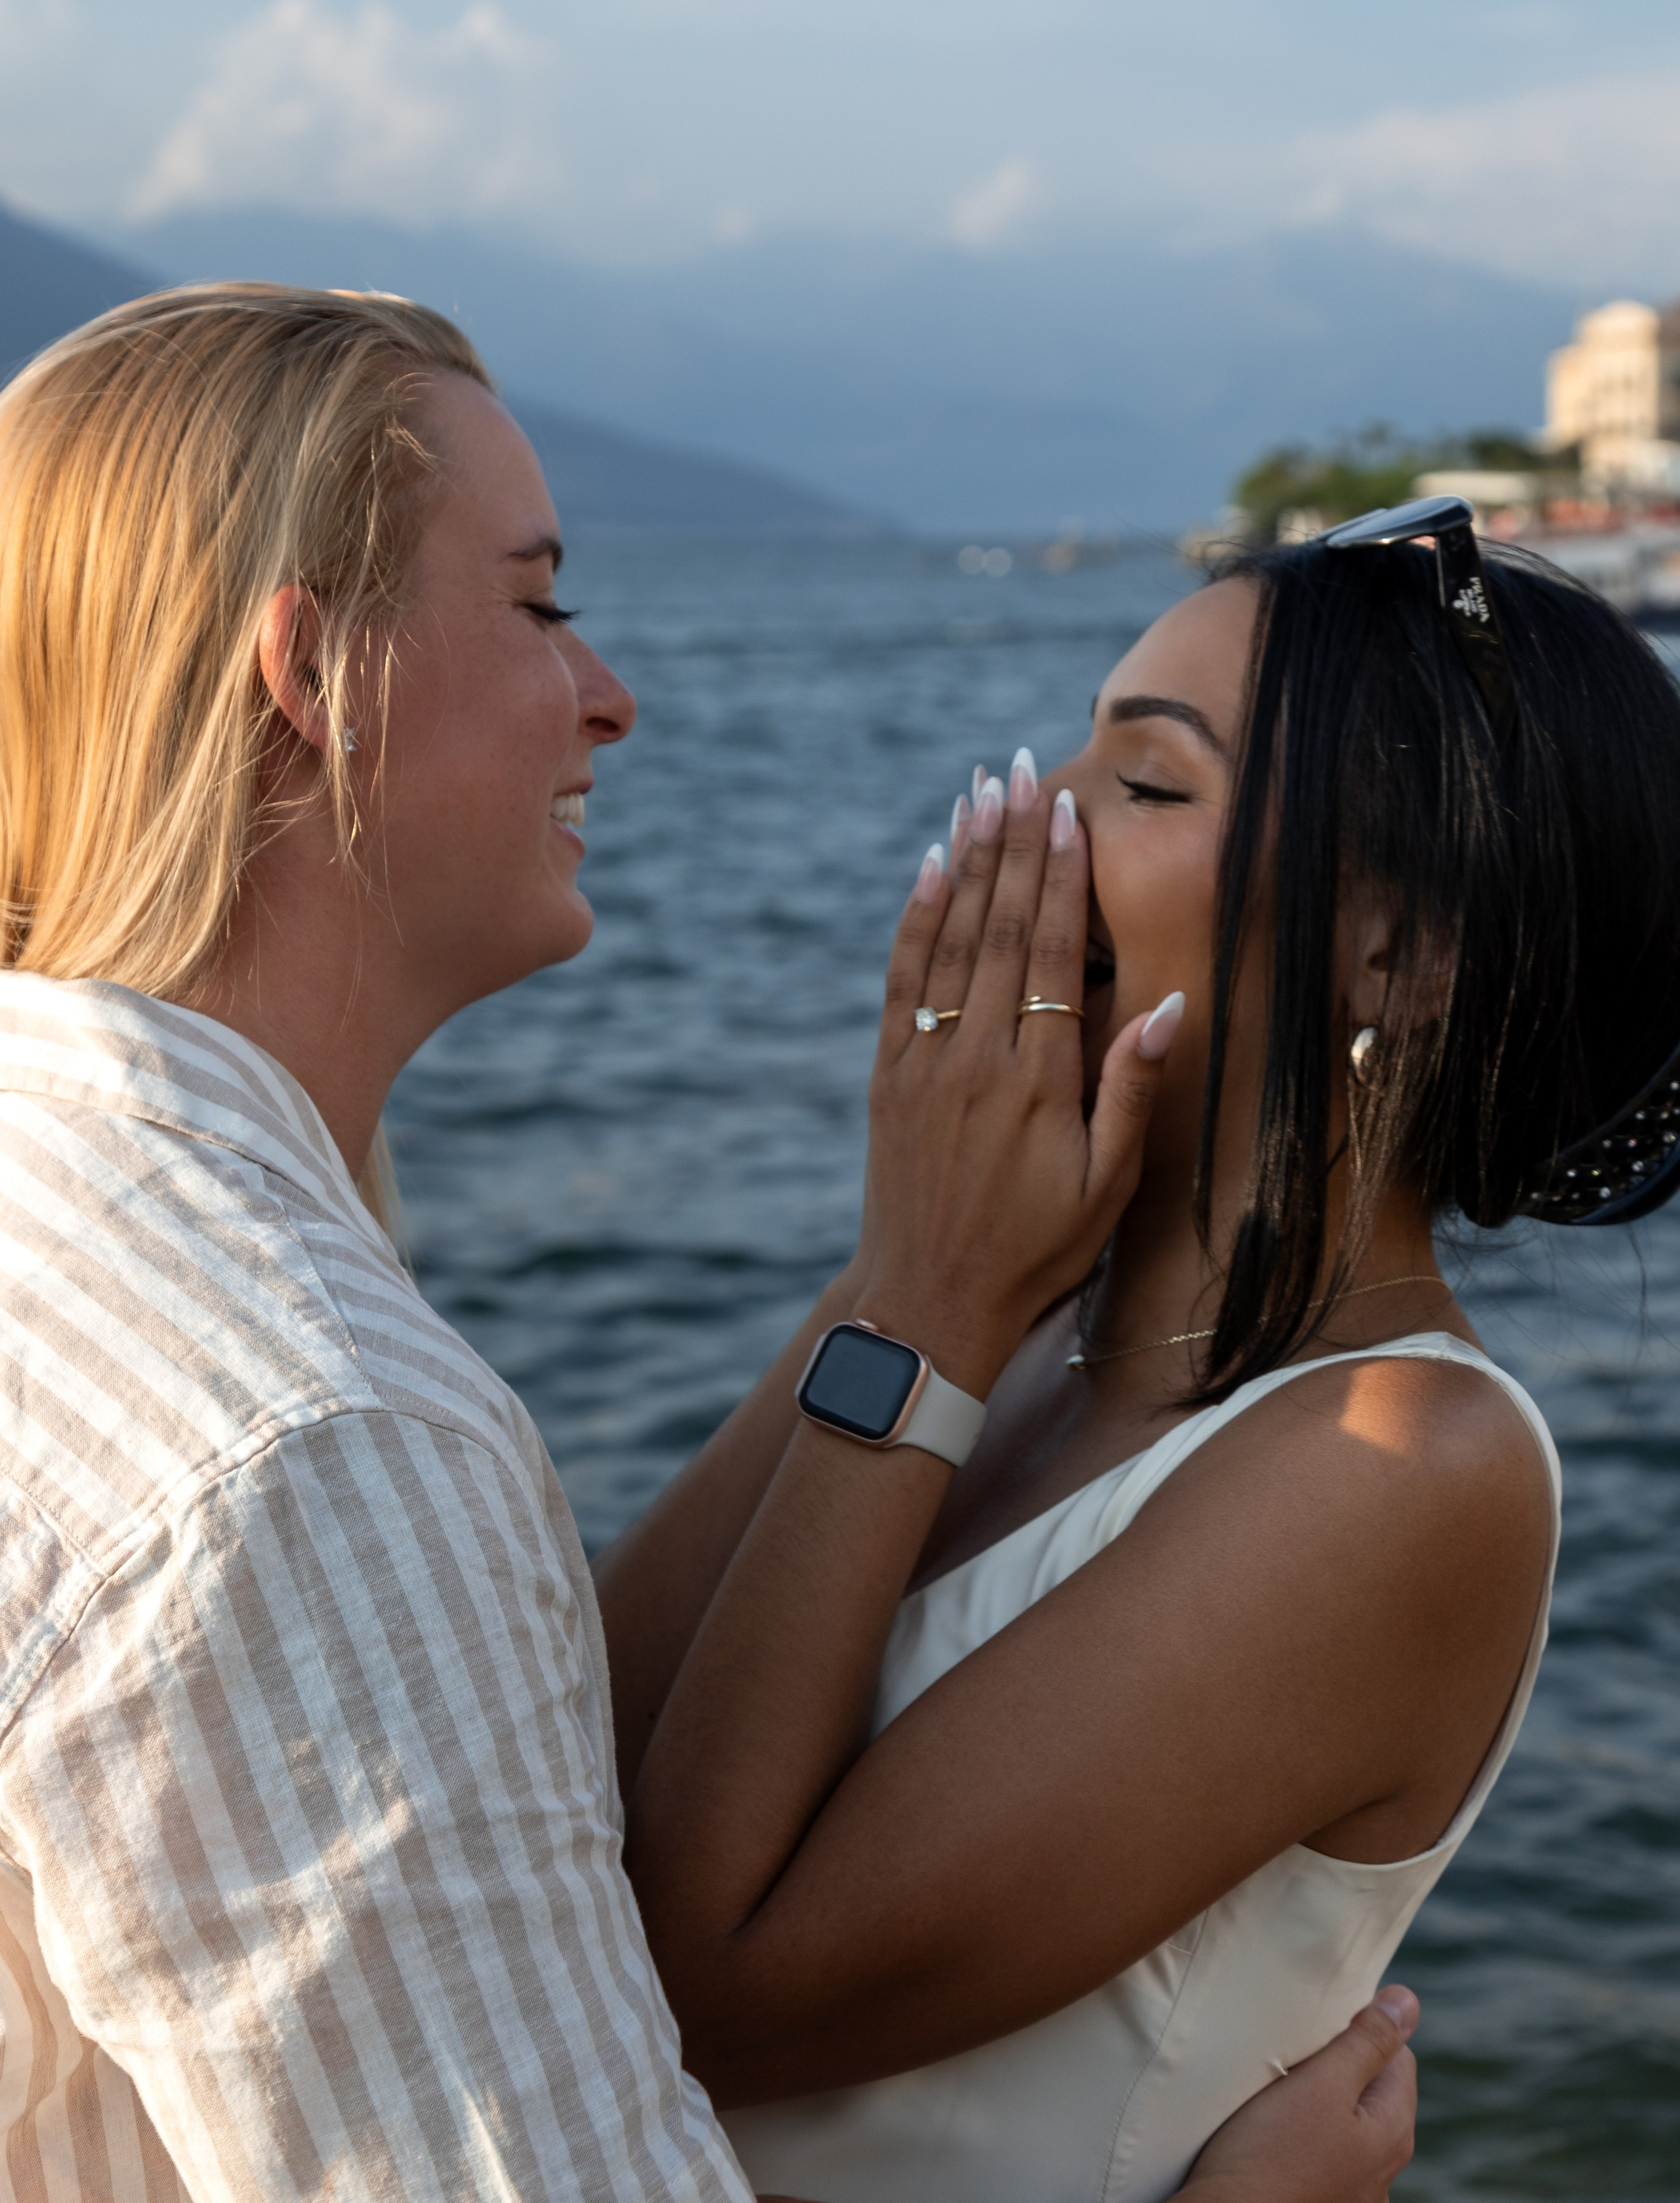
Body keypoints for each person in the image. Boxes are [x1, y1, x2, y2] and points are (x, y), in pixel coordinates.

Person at [0, 279, 1415, 2203]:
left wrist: (918, 1284)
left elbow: (546, 1816)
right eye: (539, 601)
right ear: (312, 678)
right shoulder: (312, 1439)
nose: (612, 694)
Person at [598, 509, 1680, 2202]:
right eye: (1077, 755)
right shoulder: (1012, 1328)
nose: (1038, 824)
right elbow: (540, 1775)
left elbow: (667, 1996)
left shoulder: (1403, 1461)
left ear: (1400, 947)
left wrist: (918, 1310)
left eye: (1151, 785)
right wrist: (913, 1275)